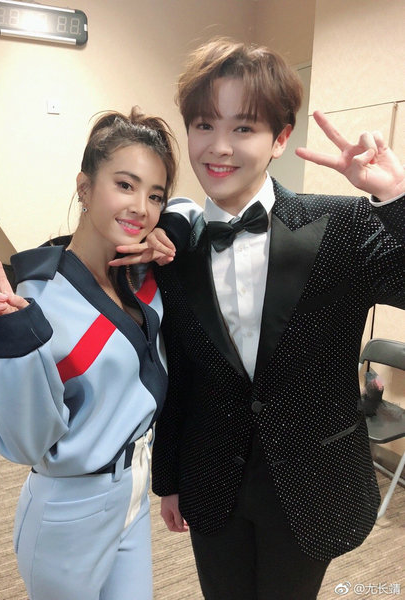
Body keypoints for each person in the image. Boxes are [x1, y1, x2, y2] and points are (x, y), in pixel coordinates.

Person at [142, 38, 404, 600]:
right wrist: (169, 478)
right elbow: (182, 376)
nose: (219, 147)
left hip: (313, 479)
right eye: (204, 125)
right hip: (212, 478)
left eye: (243, 128)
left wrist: (397, 201)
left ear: (280, 138)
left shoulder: (342, 225)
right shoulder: (174, 251)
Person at [0, 107, 177, 600]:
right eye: (124, 185)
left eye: (155, 195)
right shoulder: (36, 301)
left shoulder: (140, 272)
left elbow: (190, 212)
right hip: (69, 508)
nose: (141, 208)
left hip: (133, 493)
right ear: (84, 188)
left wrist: (174, 233)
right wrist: (14, 345)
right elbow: (25, 444)